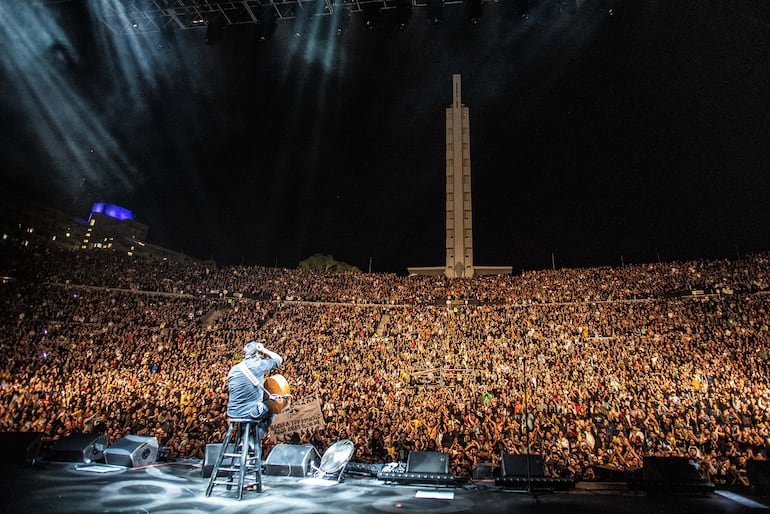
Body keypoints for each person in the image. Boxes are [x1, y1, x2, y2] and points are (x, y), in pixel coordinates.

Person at [227, 341, 283, 445]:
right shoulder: (258, 364)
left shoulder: (233, 369)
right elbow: (278, 359)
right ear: (257, 354)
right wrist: (263, 350)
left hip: (232, 412)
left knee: (254, 412)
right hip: (250, 411)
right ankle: (252, 440)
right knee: (273, 410)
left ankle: (243, 438)